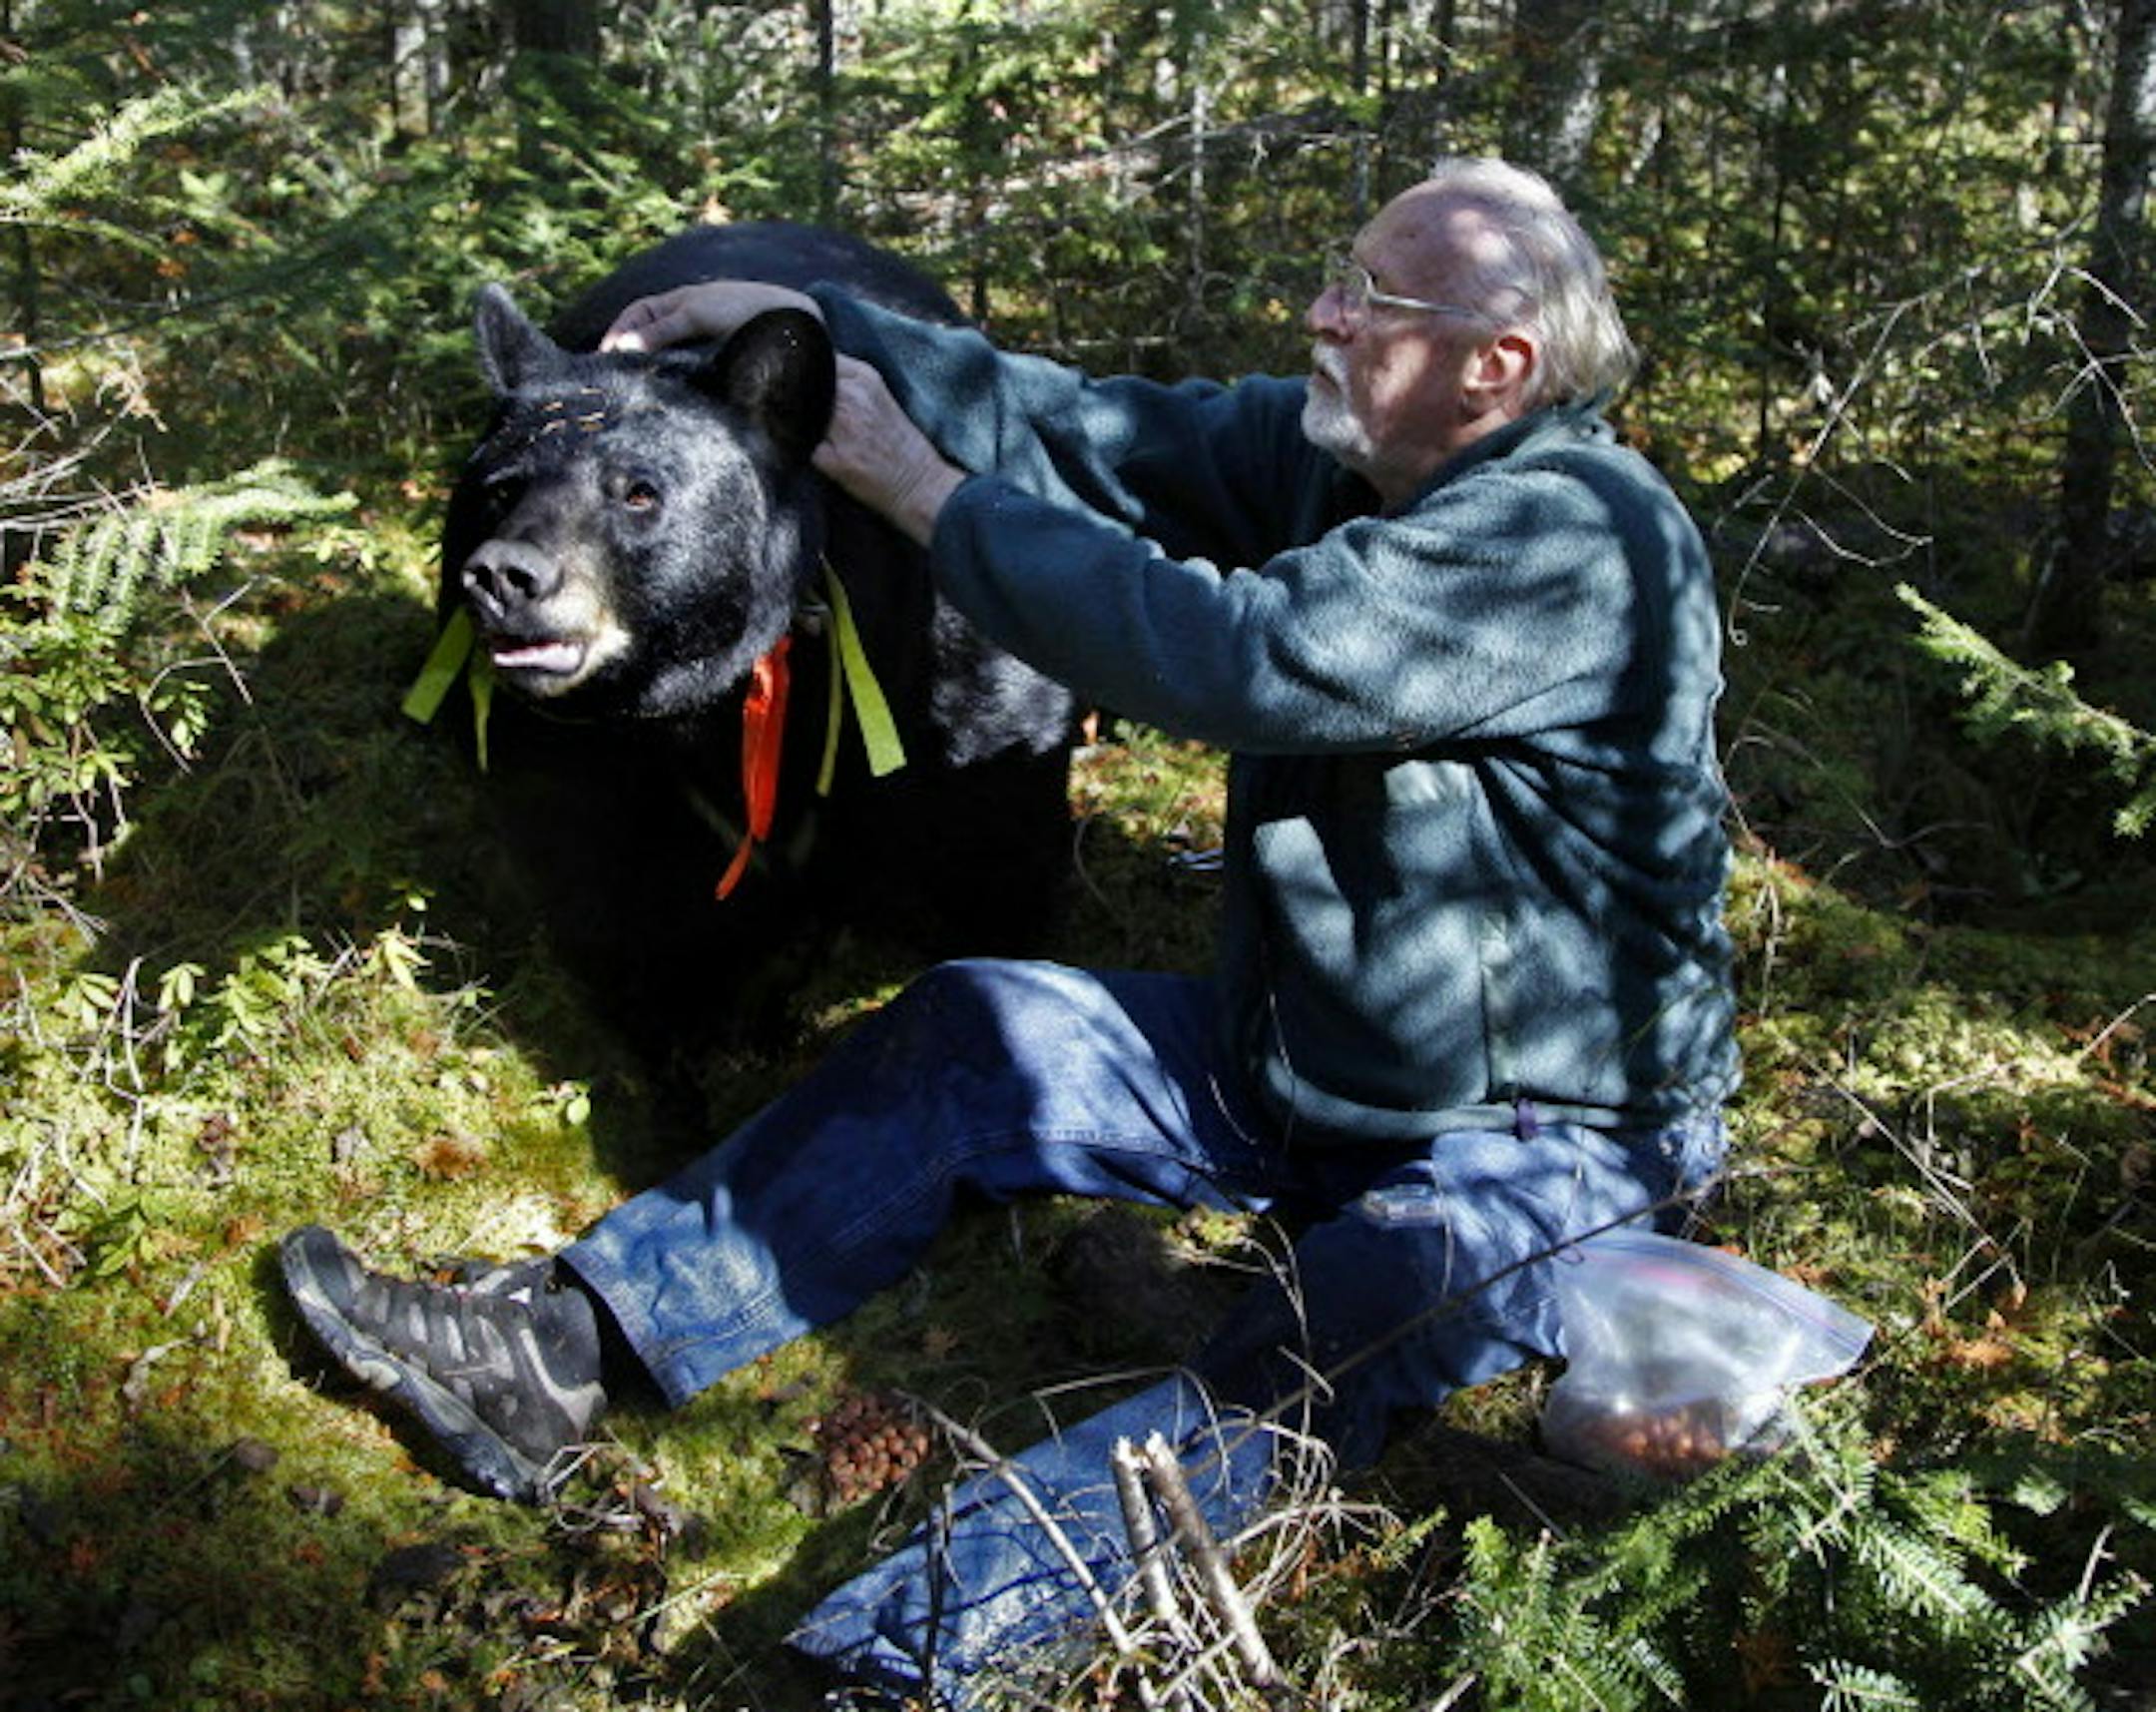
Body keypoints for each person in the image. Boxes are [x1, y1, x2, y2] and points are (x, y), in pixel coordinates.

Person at [279, 156, 1737, 1702]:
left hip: (1545, 1141)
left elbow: (1242, 656)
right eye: (1337, 274)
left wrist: (922, 493)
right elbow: (1081, 420)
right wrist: (800, 312)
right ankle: (560, 1345)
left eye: (1369, 298)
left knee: (1314, 1346)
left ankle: (899, 1658)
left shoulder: (1577, 538)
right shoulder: (1355, 459)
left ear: (1494, 366)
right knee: (985, 1025)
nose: (1320, 313)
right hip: (1302, 1053)